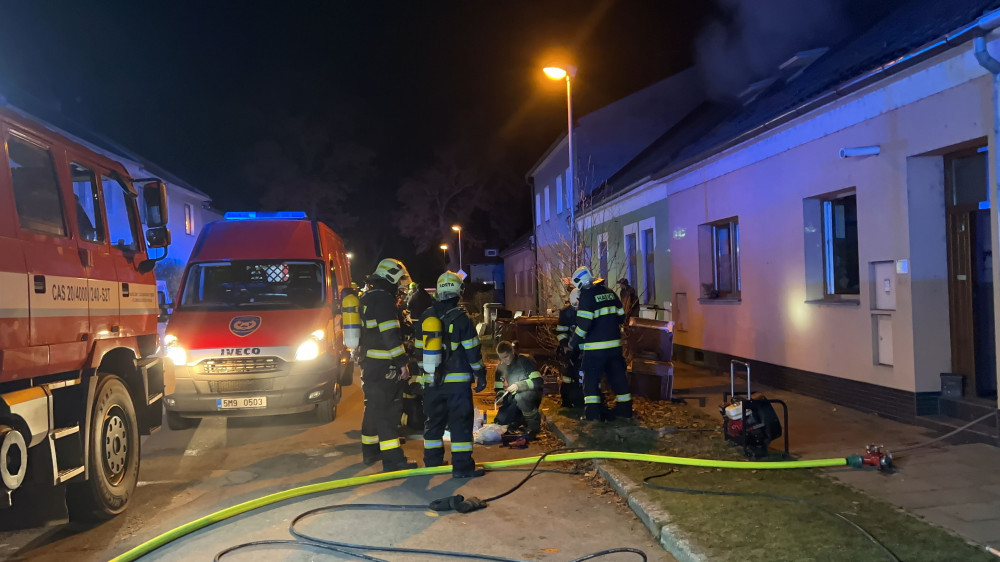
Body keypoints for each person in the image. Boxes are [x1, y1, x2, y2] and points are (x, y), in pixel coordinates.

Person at [414, 271, 487, 478]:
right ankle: (462, 468)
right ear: (458, 292)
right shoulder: (462, 319)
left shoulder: (426, 317)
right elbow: (472, 352)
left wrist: (426, 376)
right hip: (457, 385)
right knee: (460, 423)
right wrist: (480, 374)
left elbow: (418, 351)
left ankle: (432, 463)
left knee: (433, 423)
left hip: (432, 382)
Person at [358, 258, 417, 472]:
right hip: (385, 365)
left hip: (371, 363)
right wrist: (402, 363)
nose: (401, 284)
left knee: (374, 407)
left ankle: (370, 450)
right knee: (388, 411)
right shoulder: (383, 300)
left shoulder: (368, 297)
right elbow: (390, 335)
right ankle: (393, 460)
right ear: (390, 277)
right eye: (399, 280)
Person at [570, 266, 632, 421]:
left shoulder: (587, 295)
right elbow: (621, 317)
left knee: (590, 380)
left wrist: (573, 343)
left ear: (579, 282)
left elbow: (583, 325)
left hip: (595, 350)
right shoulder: (609, 292)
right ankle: (625, 410)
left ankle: (592, 414)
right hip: (614, 348)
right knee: (618, 378)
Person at [493, 340, 543, 438]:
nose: (504, 360)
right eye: (501, 358)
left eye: (506, 357)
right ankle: (518, 422)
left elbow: (538, 381)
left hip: (530, 395)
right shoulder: (500, 367)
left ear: (512, 352)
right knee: (501, 421)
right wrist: (500, 395)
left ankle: (533, 426)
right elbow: (499, 387)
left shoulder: (524, 362)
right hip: (513, 398)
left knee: (522, 397)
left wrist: (519, 386)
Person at [556, 289, 584, 408]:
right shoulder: (565, 313)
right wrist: (564, 345)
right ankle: (567, 400)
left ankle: (583, 400)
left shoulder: (587, 310)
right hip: (570, 350)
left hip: (585, 351)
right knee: (567, 375)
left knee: (583, 375)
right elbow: (561, 331)